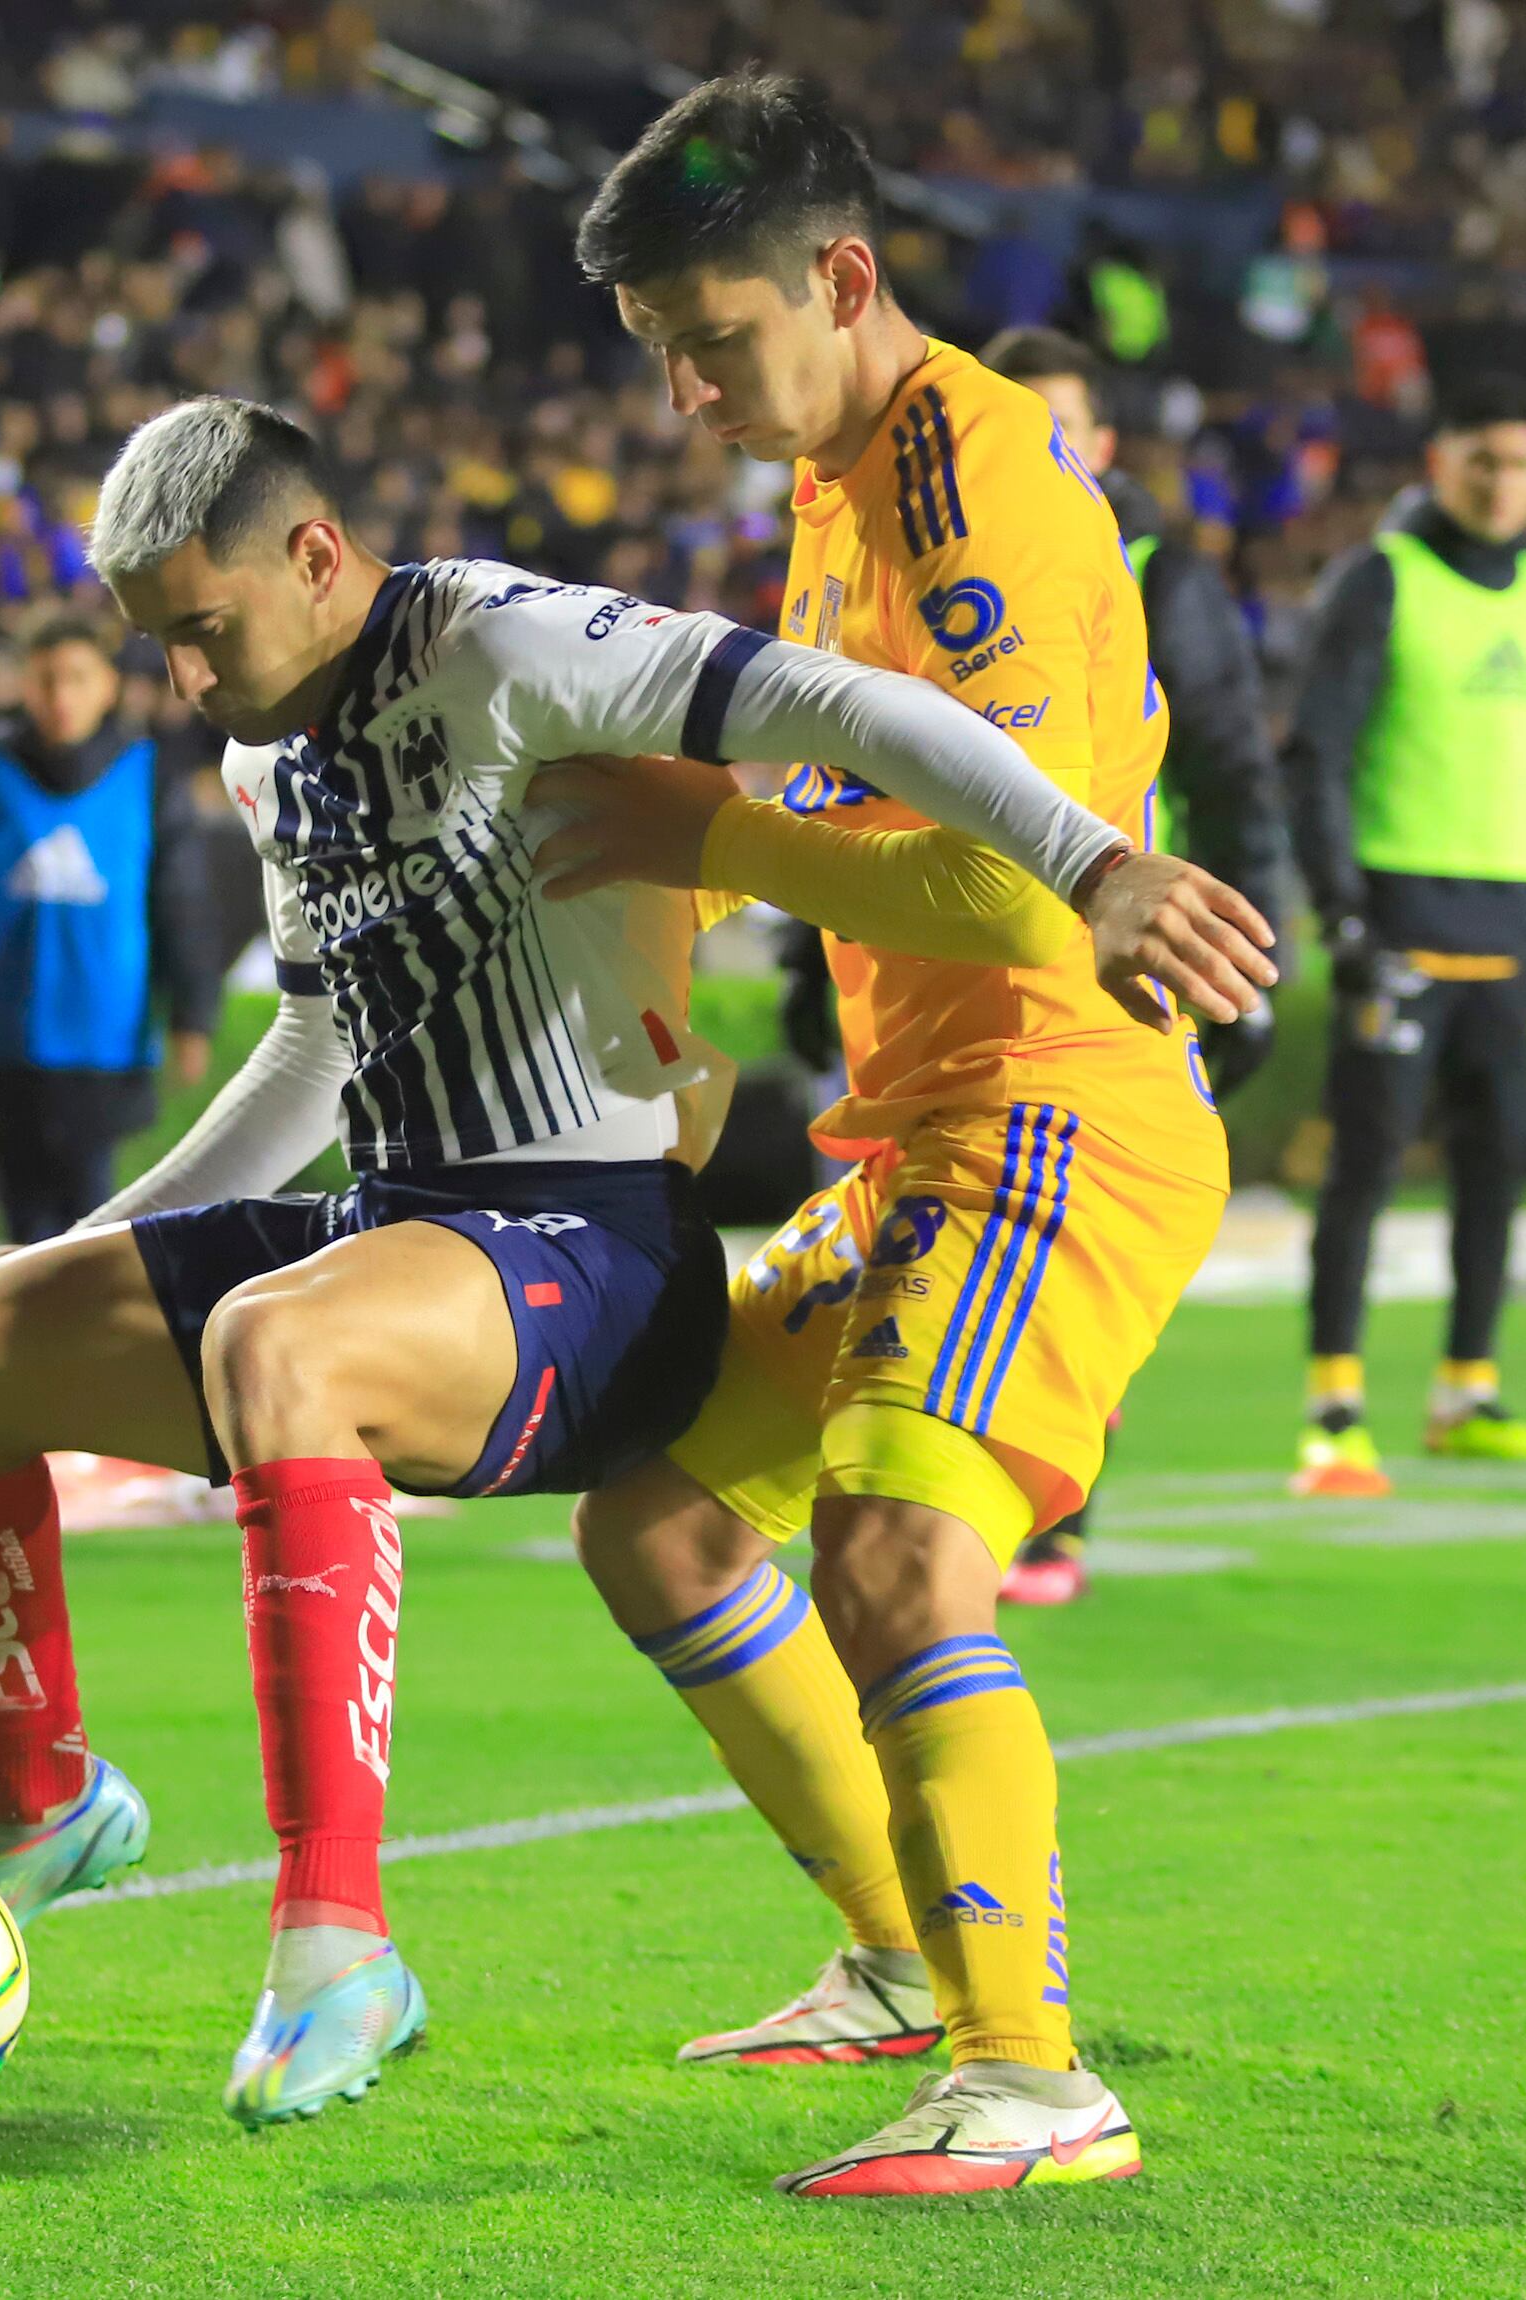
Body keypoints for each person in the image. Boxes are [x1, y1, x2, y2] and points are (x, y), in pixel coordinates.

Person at [0, 392, 1250, 2141]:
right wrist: (91, 1250)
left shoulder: (503, 644)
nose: (190, 682)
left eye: (204, 634)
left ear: (314, 553)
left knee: (286, 1353)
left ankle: (338, 1940)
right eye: (165, 650)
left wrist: (1091, 859)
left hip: (592, 1256)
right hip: (400, 1231)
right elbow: (314, 1043)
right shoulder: (262, 747)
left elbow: (845, 703)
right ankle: (42, 1797)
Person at [542, 74, 1278, 2198]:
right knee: (663, 1518)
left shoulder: (972, 496)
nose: (686, 394)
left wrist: (710, 822)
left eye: (713, 339)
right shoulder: (843, 470)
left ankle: (1033, 2079)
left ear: (842, 280)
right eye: (659, 350)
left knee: (890, 1539)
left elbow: (1011, 886)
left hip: (1055, 1108)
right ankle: (892, 1950)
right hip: (925, 1125)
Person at [979, 322, 1294, 1605]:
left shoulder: (1159, 573)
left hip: (1108, 963)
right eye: (1022, 427)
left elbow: (1230, 766)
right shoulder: (942, 555)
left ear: (1103, 443)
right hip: (951, 952)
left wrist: (1253, 939)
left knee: (1064, 1243)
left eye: (1066, 428)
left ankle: (1052, 1516)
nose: (1048, 452)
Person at [1285, 374, 1526, 1495]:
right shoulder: (1382, 578)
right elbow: (1315, 749)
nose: (1500, 481)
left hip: (1515, 921)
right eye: (1480, 458)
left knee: (1499, 1165)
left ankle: (1466, 1389)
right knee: (1366, 1168)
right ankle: (1335, 1409)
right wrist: (1344, 909)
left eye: (1520, 463)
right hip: (1403, 914)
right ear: (1439, 463)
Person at [0, 613, 225, 1243]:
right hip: (3, 1041)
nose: (60, 697)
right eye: (45, 680)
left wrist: (192, 1016)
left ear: (108, 687)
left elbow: (183, 905)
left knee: (91, 1229)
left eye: (76, 678)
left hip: (105, 1045)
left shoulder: (148, 777)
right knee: (21, 1229)